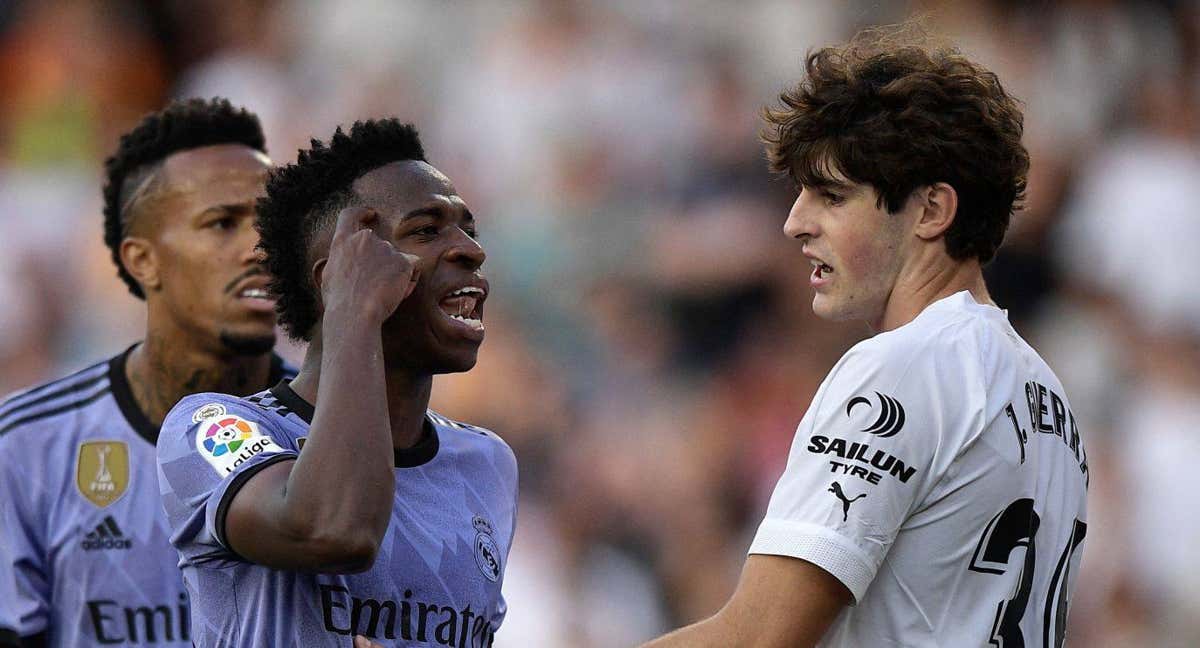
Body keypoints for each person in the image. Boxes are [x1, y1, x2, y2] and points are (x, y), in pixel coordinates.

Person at [645, 26, 1089, 647]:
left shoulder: (902, 366)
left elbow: (758, 638)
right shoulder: (1049, 398)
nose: (795, 223)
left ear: (932, 210)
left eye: (831, 195)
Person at [155, 119, 518, 647]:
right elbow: (333, 529)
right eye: (425, 229)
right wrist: (354, 312)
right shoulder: (212, 428)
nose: (470, 250)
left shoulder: (486, 463)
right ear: (339, 275)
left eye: (469, 229)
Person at [0, 98, 296, 648]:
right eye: (224, 223)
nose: (260, 247)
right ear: (143, 260)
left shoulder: (346, 433)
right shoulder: (25, 446)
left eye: (271, 221)